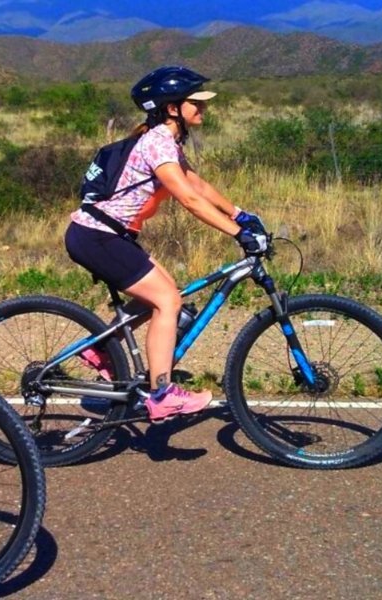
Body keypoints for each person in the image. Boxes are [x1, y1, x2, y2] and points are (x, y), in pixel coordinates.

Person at [65, 65, 268, 422]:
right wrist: (238, 235)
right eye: (195, 102)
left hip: (107, 234)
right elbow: (189, 200)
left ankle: (99, 351)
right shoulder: (157, 142)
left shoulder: (166, 141)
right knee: (167, 300)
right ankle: (161, 394)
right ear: (172, 107)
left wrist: (239, 214)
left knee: (165, 294)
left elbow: (197, 185)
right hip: (97, 236)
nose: (203, 108)